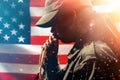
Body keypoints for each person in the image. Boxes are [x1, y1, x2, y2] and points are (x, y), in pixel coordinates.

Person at [35, 0, 120, 80]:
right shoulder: (85, 48)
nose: (52, 30)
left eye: (54, 22)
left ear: (72, 16)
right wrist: (51, 61)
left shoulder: (91, 58)